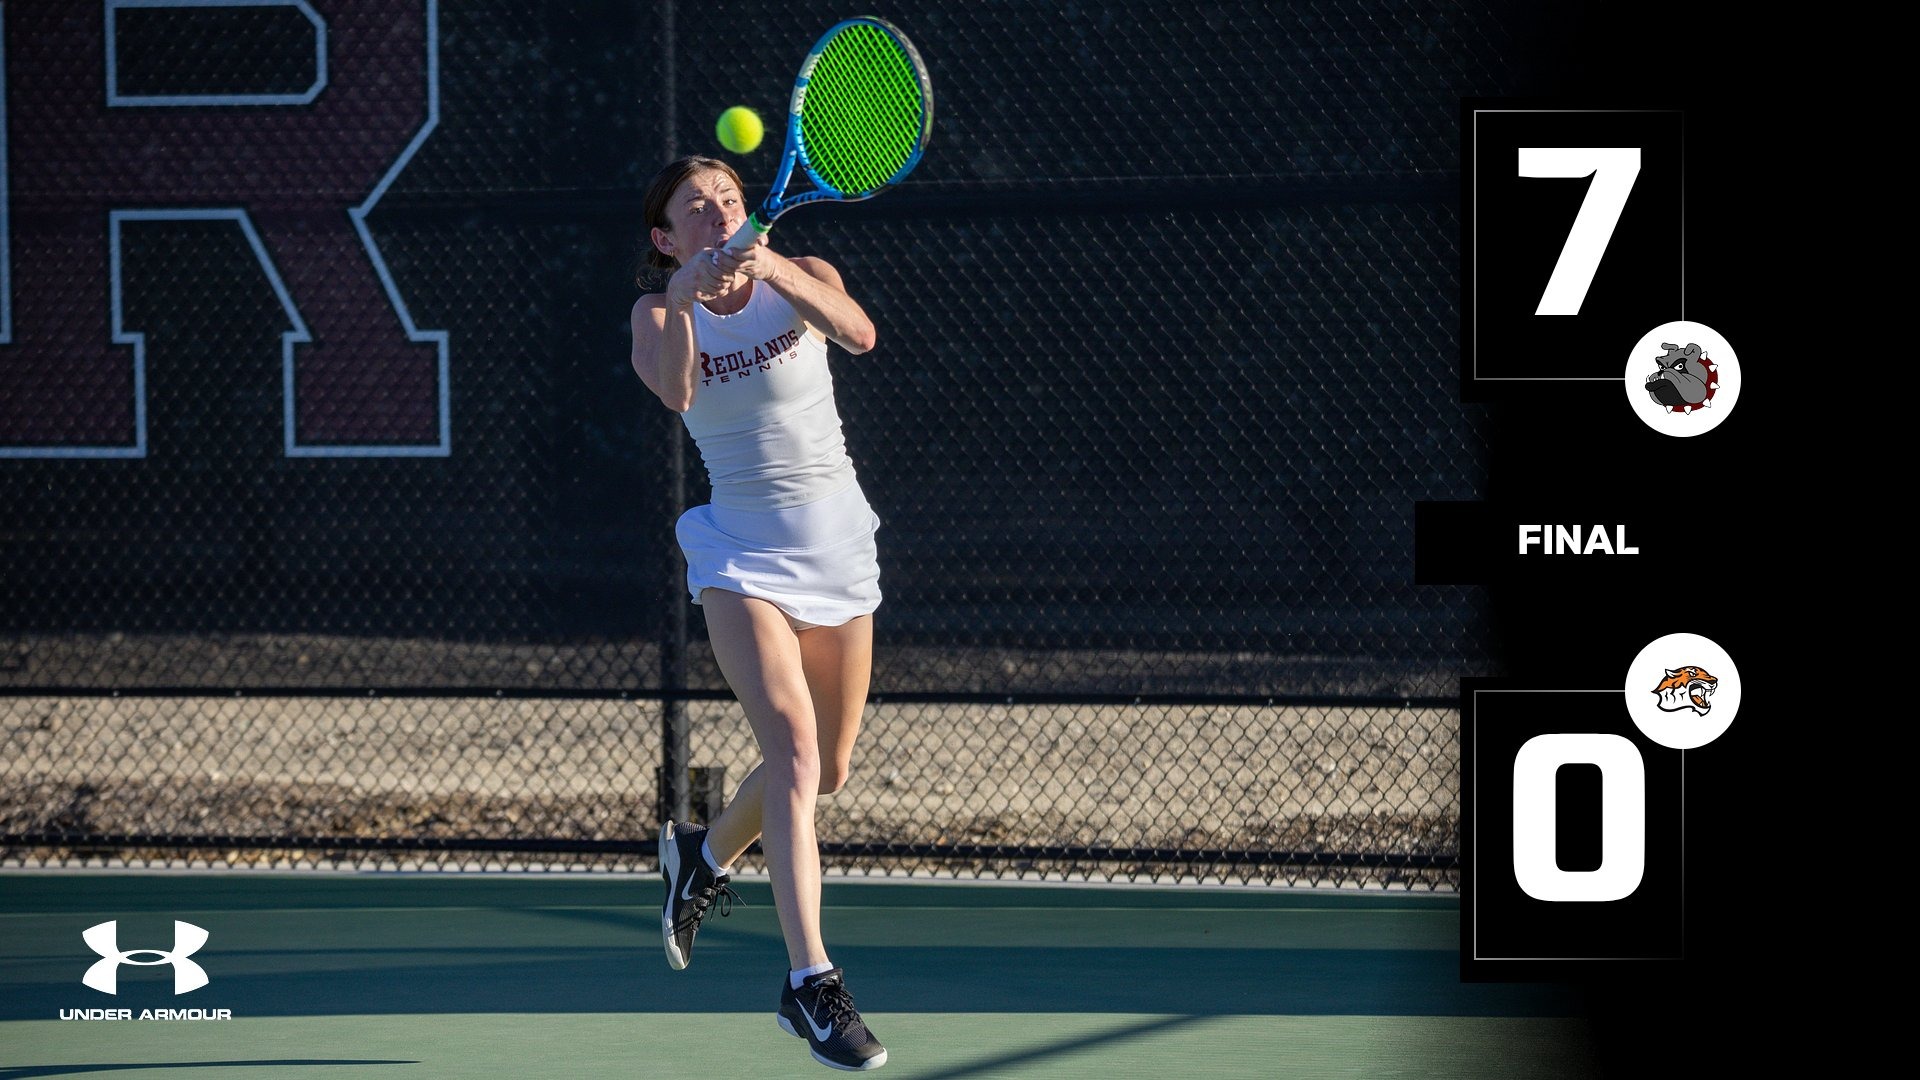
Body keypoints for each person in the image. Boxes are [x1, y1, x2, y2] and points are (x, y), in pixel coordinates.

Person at [629, 155, 888, 1072]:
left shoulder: (804, 277)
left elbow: (858, 335)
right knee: (794, 750)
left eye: (729, 201)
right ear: (665, 238)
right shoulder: (658, 313)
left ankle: (701, 855)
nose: (717, 214)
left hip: (838, 548)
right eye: (694, 208)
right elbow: (676, 391)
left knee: (829, 773)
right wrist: (691, 293)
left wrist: (770, 265)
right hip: (739, 556)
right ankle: (810, 982)